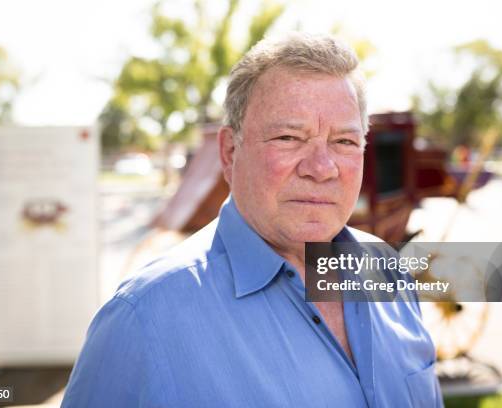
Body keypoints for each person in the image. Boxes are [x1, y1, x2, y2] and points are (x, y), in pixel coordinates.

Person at [62, 32, 444, 407]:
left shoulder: (388, 271)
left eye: (343, 142)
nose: (322, 168)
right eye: (289, 138)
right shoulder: (143, 319)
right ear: (229, 152)